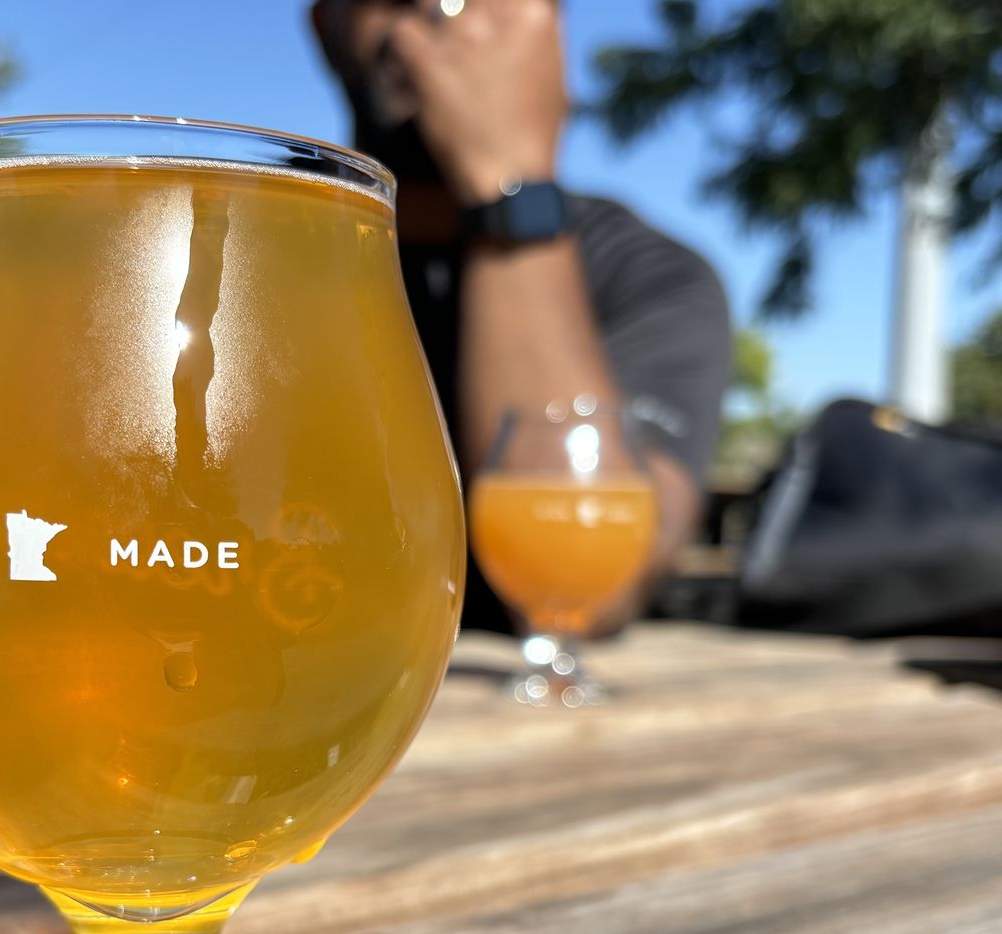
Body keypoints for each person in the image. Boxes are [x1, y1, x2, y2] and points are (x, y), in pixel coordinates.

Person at [310, 0, 733, 632]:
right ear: (327, 25)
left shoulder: (647, 271)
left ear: (548, 30)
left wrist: (510, 189)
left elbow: (588, 591)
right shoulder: (252, 247)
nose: (443, 12)